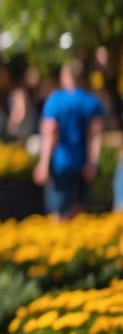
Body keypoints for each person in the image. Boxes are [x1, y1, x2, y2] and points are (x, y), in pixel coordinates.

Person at [34, 59, 104, 221]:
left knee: (59, 214)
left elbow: (50, 132)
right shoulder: (92, 102)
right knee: (81, 213)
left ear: (65, 76)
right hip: (83, 163)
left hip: (61, 164)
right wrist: (93, 163)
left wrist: (43, 163)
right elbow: (95, 136)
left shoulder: (55, 100)